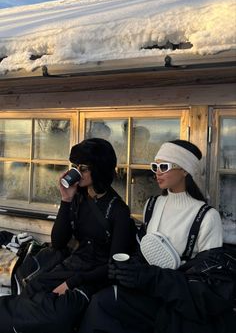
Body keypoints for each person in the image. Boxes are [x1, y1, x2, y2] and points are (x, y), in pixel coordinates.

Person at [78, 140, 236, 333]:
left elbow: (208, 287)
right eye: (155, 166)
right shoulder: (152, 205)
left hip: (180, 307)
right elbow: (141, 253)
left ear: (185, 170)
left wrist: (151, 278)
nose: (157, 172)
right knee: (102, 303)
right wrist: (126, 269)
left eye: (164, 166)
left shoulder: (206, 216)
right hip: (147, 294)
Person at [0, 138, 133, 333]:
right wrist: (66, 199)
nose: (77, 172)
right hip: (71, 265)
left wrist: (73, 282)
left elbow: (115, 266)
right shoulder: (79, 197)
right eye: (74, 166)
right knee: (32, 290)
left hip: (94, 277)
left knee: (55, 314)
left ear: (99, 169)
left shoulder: (118, 211)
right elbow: (58, 242)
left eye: (83, 168)